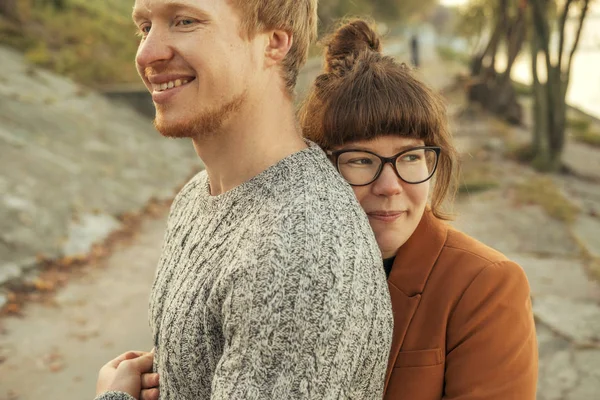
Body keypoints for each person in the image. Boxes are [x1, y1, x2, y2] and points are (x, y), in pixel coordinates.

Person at [95, 1, 394, 399]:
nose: (147, 53)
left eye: (184, 21)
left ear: (273, 42)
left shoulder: (297, 249)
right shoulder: (198, 195)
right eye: (145, 27)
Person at [299, 19, 538, 400]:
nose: (390, 186)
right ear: (321, 166)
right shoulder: (288, 267)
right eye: (361, 160)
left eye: (410, 156)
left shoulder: (485, 285)